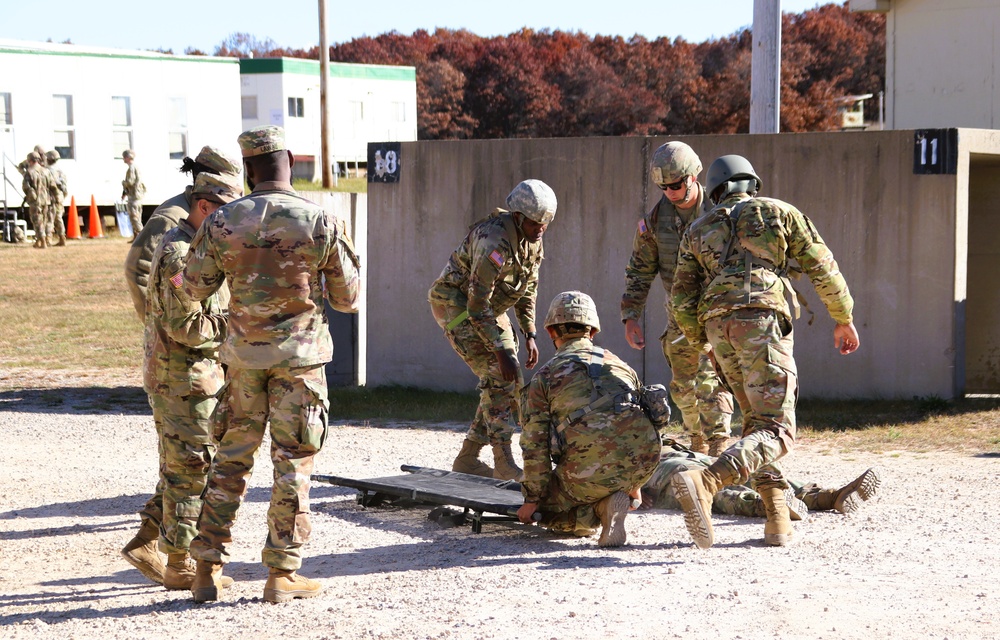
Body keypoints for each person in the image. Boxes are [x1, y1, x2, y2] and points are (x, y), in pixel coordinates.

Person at [183, 125, 361, 604]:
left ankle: (205, 569)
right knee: (293, 463)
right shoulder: (320, 220)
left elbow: (193, 286)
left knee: (230, 461)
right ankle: (282, 574)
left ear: (247, 169)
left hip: (242, 362)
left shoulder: (221, 221)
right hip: (300, 364)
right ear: (291, 162)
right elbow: (349, 299)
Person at [670, 154, 860, 549]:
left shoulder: (699, 228)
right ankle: (707, 482)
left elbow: (681, 296)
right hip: (761, 318)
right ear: (751, 184)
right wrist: (842, 317)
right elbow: (823, 267)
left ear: (717, 188)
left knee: (757, 426)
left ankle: (776, 518)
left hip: (717, 325)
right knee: (777, 428)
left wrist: (701, 341)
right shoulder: (780, 212)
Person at [119, 147, 243, 585]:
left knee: (183, 466)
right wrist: (239, 322)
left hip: (196, 377)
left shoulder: (202, 246)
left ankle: (148, 542)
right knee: (192, 471)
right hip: (183, 379)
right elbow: (186, 325)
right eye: (226, 211)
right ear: (204, 207)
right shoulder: (179, 254)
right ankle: (180, 565)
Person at [428, 179, 556, 481]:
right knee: (497, 374)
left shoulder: (532, 238)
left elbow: (528, 286)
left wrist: (529, 332)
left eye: (546, 223)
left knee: (511, 383)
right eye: (535, 223)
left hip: (488, 308)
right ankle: (503, 461)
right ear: (518, 217)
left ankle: (468, 458)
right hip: (456, 308)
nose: (541, 229)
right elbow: (475, 305)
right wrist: (500, 349)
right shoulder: (493, 242)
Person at [517, 291, 662, 547]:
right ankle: (614, 498)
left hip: (585, 475)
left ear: (551, 332)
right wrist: (635, 483)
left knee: (550, 514)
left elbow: (534, 444)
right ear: (592, 332)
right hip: (640, 466)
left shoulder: (546, 375)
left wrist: (532, 500)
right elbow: (644, 420)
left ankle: (600, 509)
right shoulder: (620, 365)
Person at [622, 141, 734, 456]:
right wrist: (630, 315)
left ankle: (719, 443)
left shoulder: (722, 212)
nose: (670, 191)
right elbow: (640, 270)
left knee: (713, 380)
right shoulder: (655, 222)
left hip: (718, 309)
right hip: (680, 315)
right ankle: (697, 436)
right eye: (663, 186)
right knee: (684, 389)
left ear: (693, 176)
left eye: (676, 184)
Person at [124, 146, 243, 321]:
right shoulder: (172, 217)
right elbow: (137, 269)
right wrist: (159, 324)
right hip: (186, 338)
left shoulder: (217, 216)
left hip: (211, 332)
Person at [640, 444, 883, 519]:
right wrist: (633, 491)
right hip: (660, 473)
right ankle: (772, 502)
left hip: (686, 459)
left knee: (741, 472)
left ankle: (830, 496)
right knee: (708, 489)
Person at [21, 151, 53, 249]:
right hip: (46, 199)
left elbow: (25, 186)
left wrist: (31, 195)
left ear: (30, 160)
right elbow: (52, 185)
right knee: (43, 220)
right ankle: (40, 240)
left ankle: (42, 241)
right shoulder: (46, 171)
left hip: (35, 200)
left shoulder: (29, 172)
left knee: (37, 220)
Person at [45, 150, 68, 247]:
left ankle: (48, 239)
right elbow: (64, 186)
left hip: (52, 197)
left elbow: (48, 185)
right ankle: (62, 238)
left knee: (49, 218)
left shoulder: (48, 171)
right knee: (59, 218)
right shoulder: (60, 170)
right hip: (60, 196)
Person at [121, 149, 146, 239]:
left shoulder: (131, 168)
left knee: (135, 217)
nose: (123, 159)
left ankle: (141, 237)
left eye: (124, 157)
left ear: (128, 157)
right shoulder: (134, 167)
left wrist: (123, 183)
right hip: (136, 196)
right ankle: (137, 237)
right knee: (136, 217)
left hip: (134, 196)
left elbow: (130, 182)